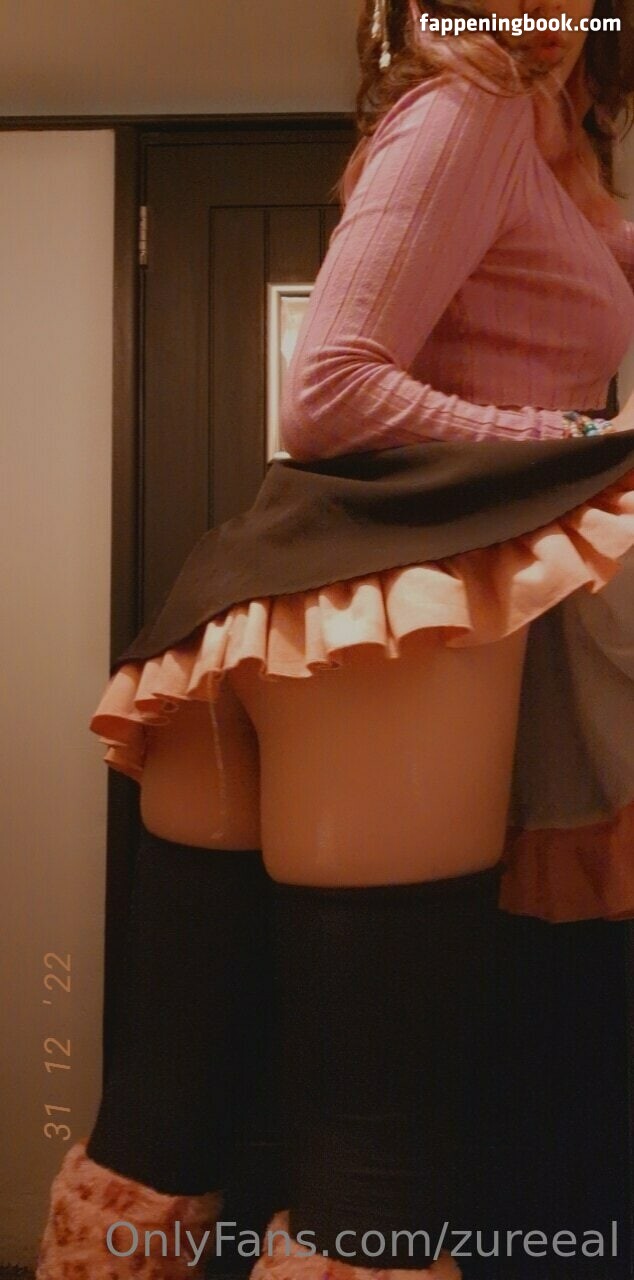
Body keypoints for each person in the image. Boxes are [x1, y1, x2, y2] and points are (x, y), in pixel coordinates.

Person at [36, 0, 634, 1278]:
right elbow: (331, 389)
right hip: (391, 598)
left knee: (169, 1115)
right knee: (377, 1157)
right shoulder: (472, 109)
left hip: (304, 600)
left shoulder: (542, 147)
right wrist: (580, 441)